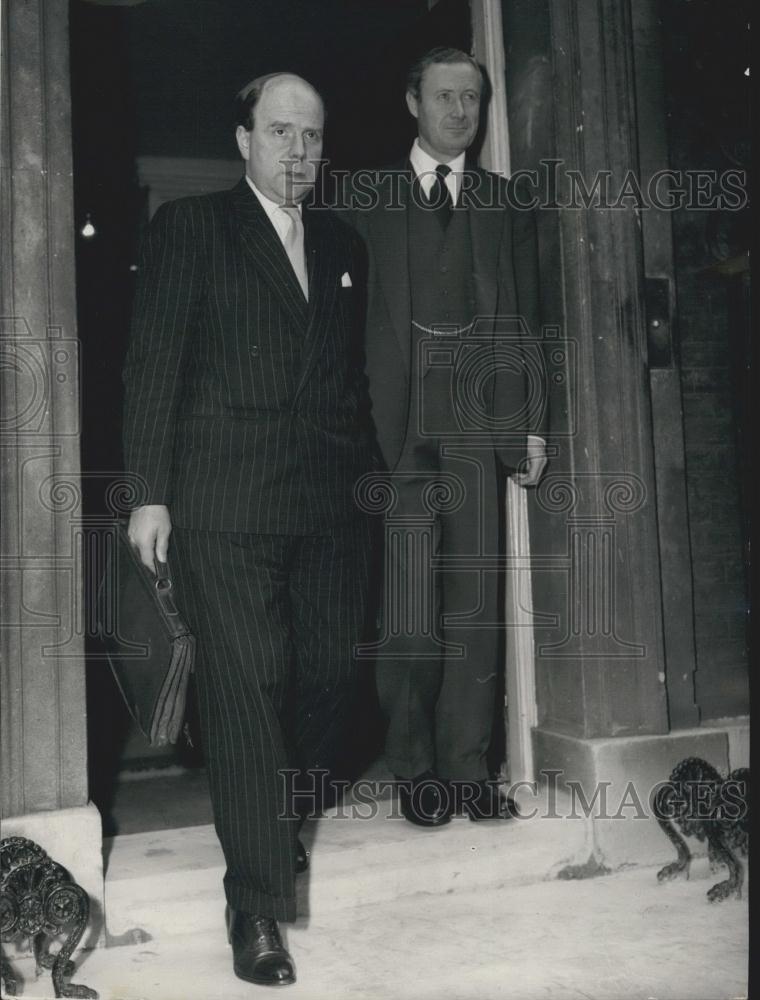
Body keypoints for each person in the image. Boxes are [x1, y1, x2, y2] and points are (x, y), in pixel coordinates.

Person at [122, 72, 372, 987]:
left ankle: (274, 825)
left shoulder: (345, 243)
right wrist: (149, 493)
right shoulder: (190, 228)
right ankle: (256, 905)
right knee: (248, 692)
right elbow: (152, 366)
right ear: (243, 141)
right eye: (280, 133)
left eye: (312, 136)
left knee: (332, 681)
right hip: (223, 506)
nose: (298, 152)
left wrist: (373, 486)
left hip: (328, 504)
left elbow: (349, 381)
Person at [349, 47, 548, 828]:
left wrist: (529, 423)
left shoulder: (502, 204)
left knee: (475, 606)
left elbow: (525, 320)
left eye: (471, 98)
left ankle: (468, 769)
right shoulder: (366, 199)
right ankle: (416, 770)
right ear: (413, 103)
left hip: (475, 428)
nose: (459, 111)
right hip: (396, 436)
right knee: (408, 610)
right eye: (443, 97)